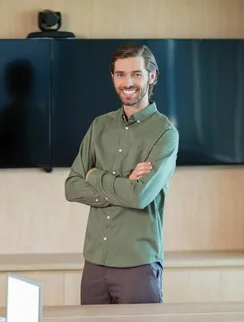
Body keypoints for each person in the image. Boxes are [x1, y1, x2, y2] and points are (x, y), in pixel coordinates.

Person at [65, 43, 179, 305]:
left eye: (136, 74)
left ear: (152, 76)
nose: (128, 82)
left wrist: (95, 176)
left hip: (137, 265)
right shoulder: (100, 125)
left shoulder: (165, 133)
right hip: (94, 262)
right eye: (120, 74)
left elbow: (139, 198)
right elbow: (71, 187)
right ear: (113, 78)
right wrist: (124, 185)